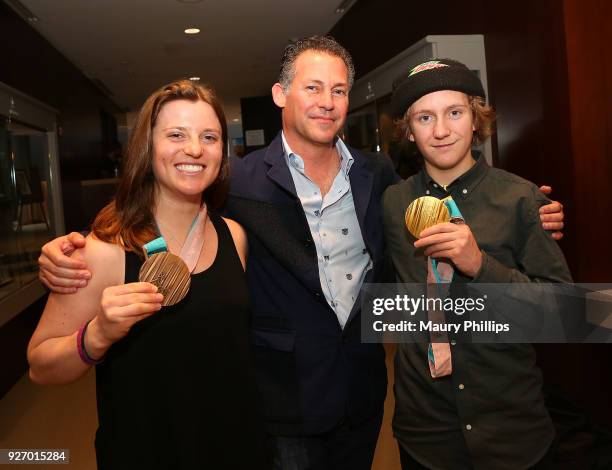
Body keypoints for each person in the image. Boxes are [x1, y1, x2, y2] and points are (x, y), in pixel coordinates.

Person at [37, 38, 565, 469]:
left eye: (339, 90)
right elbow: (165, 199)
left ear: (476, 119)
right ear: (279, 94)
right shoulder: (236, 177)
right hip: (282, 399)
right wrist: (73, 247)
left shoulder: (382, 180)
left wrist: (519, 217)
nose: (327, 101)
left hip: (379, 391)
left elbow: (566, 312)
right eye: (312, 87)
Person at [28, 80, 269, 469]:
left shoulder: (234, 236)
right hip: (146, 451)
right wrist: (97, 334)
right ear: (148, 146)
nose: (194, 149)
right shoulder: (104, 249)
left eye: (209, 136)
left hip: (237, 446)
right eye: (176, 134)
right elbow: (40, 366)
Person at [382, 59, 572, 469]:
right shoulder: (392, 203)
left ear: (475, 119)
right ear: (409, 132)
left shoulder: (520, 199)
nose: (441, 130)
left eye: (454, 112)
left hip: (512, 431)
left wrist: (480, 264)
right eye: (424, 117)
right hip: (425, 434)